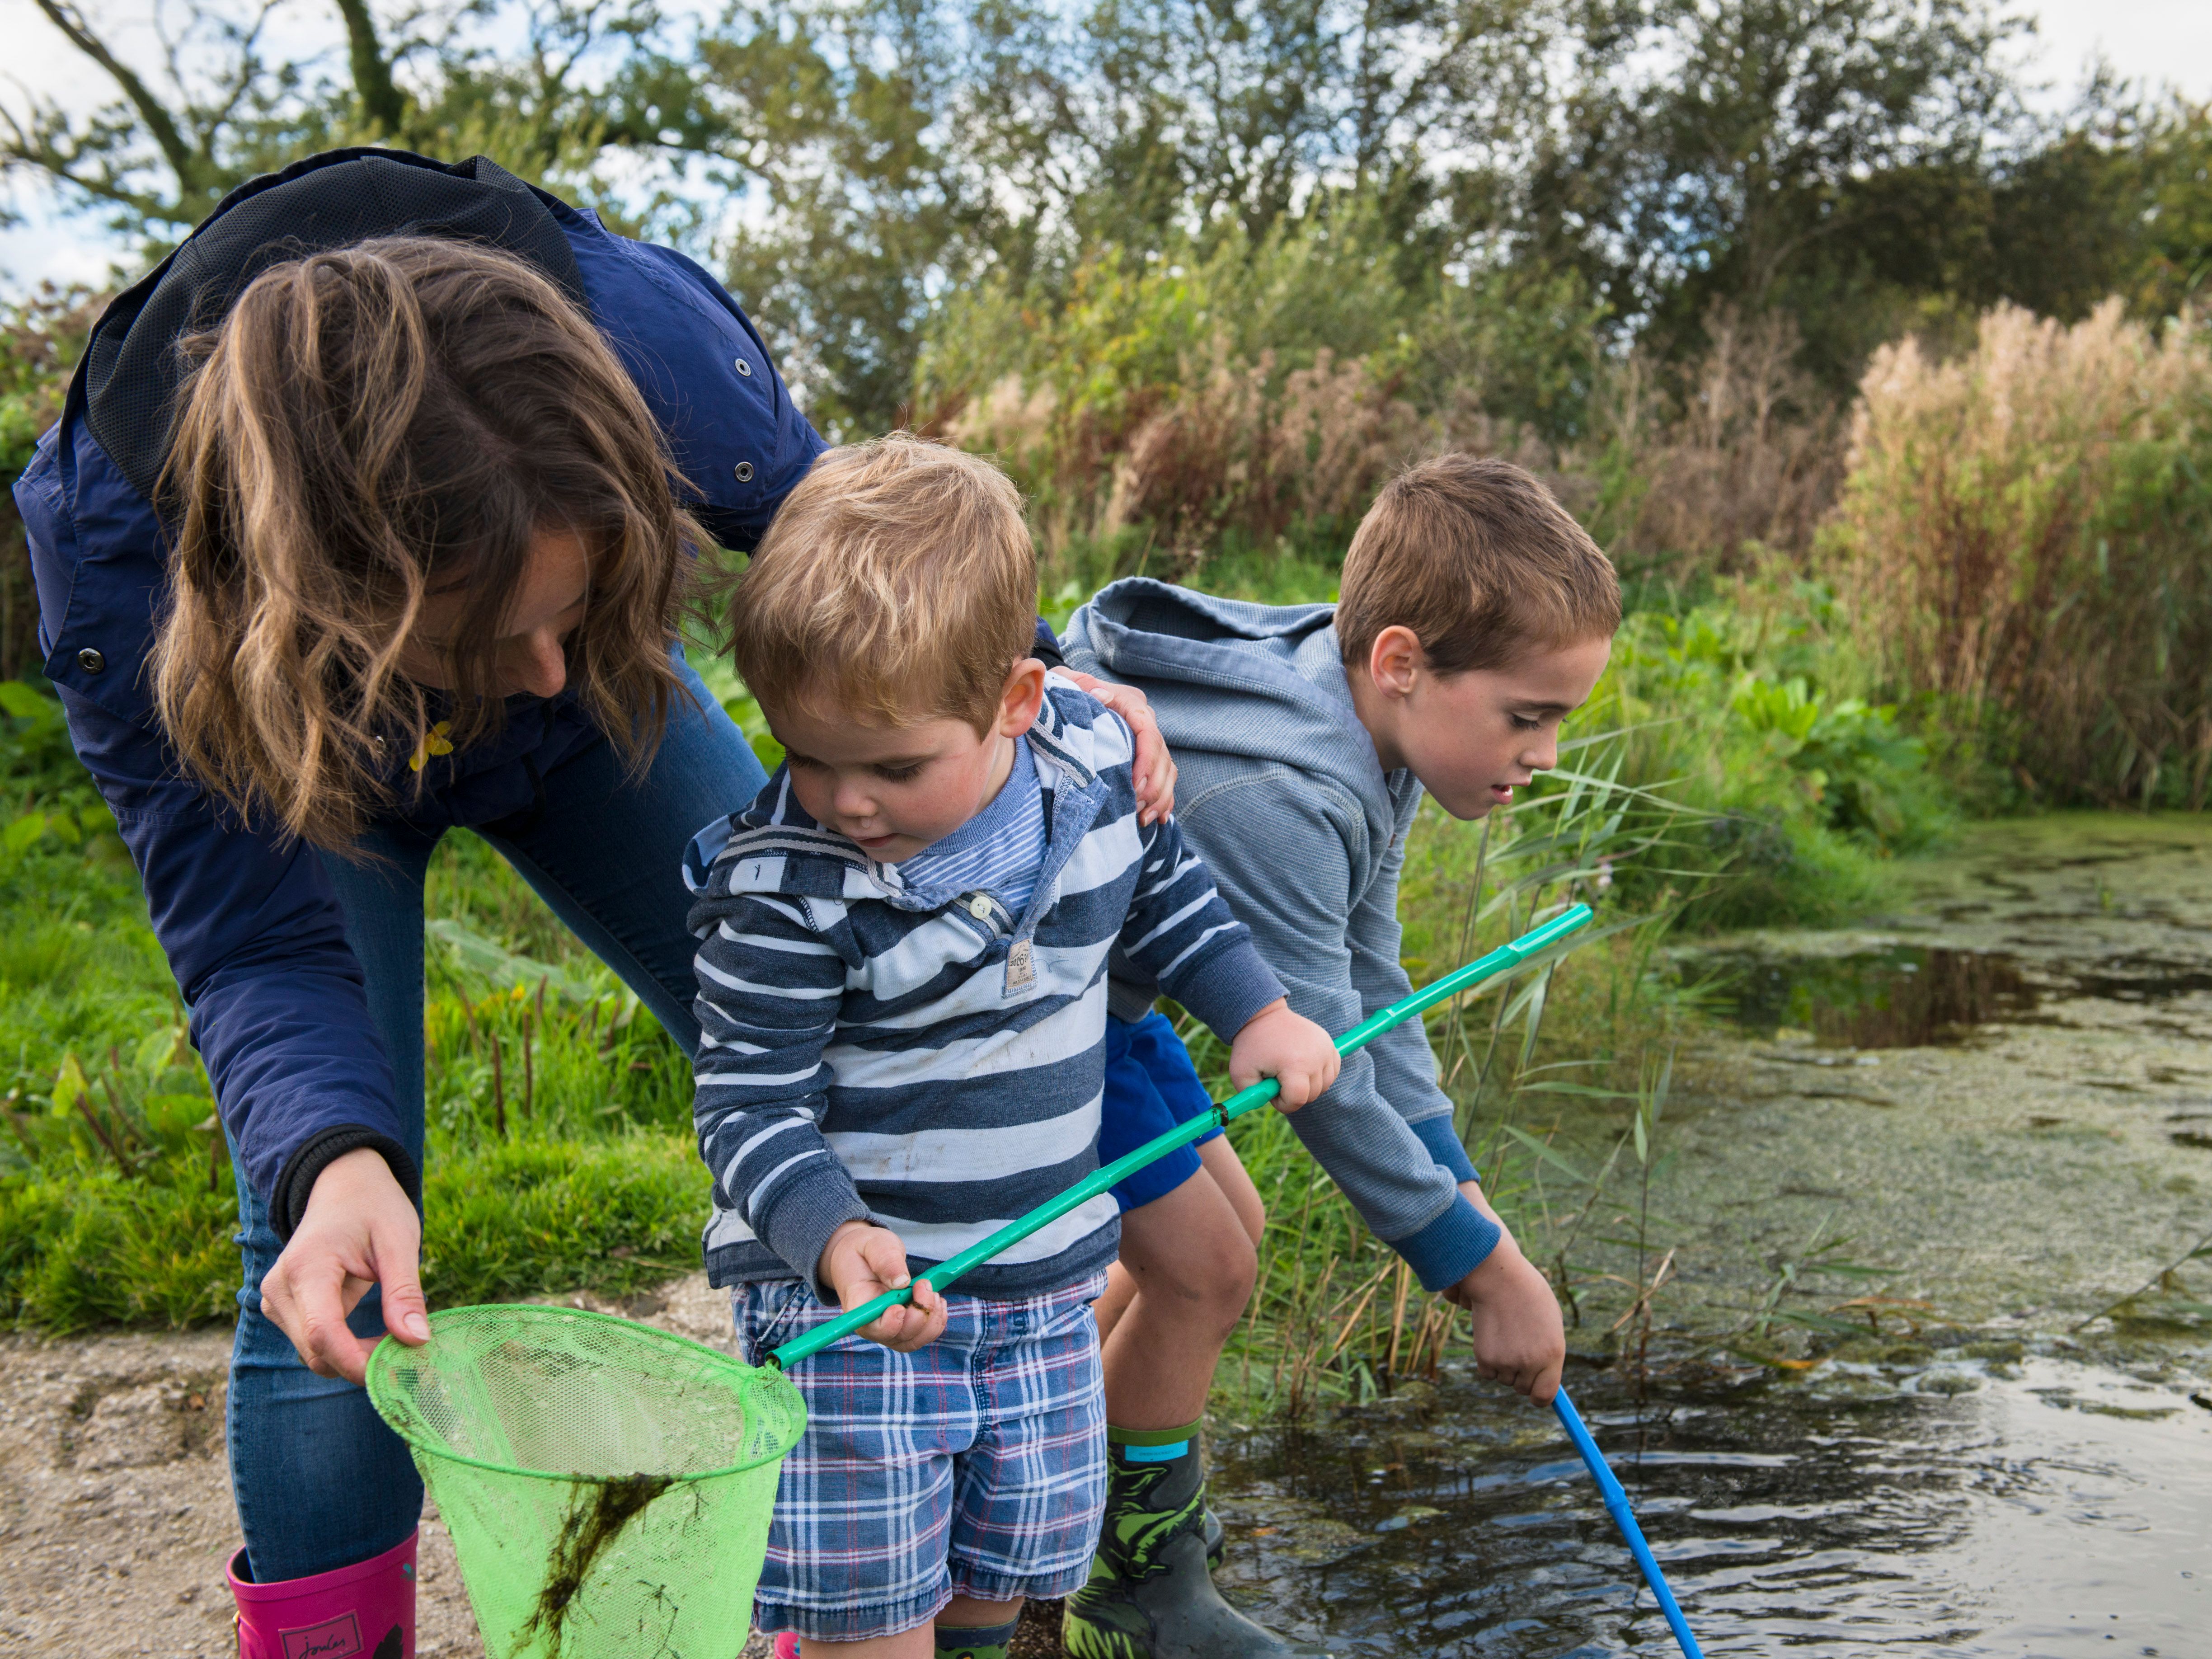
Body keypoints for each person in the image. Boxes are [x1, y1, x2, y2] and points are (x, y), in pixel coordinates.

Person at [11, 148, 1173, 1653]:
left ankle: (878, 1562)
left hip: (572, 731)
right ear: (336, 600)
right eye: (500, 635)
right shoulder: (123, 571)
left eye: (571, 606)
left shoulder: (653, 357)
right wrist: (332, 1158)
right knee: (339, 1248)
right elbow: (250, 940)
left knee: (838, 1053)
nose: (547, 671)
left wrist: (1036, 667)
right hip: (293, 747)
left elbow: (874, 556)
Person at [683, 436, 1343, 1659]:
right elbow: (745, 1105)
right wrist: (829, 1235)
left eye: (892, 765)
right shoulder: (780, 892)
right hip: (856, 1319)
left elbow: (1169, 899)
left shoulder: (1091, 773)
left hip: (1041, 1294)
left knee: (995, 1584)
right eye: (805, 754)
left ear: (1017, 703)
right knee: (872, 1623)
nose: (847, 801)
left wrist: (1260, 1010)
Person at [1059, 452, 1618, 1659]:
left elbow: (1372, 988)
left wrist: (1457, 1182)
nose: (1548, 755)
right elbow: (1323, 1081)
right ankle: (1131, 1591)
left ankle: (1072, 1489)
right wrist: (1478, 1272)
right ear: (1405, 663)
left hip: (1112, 1008)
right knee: (1205, 1271)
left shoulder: (1366, 721)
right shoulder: (1282, 793)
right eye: (1529, 717)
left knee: (1227, 1228)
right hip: (1035, 1025)